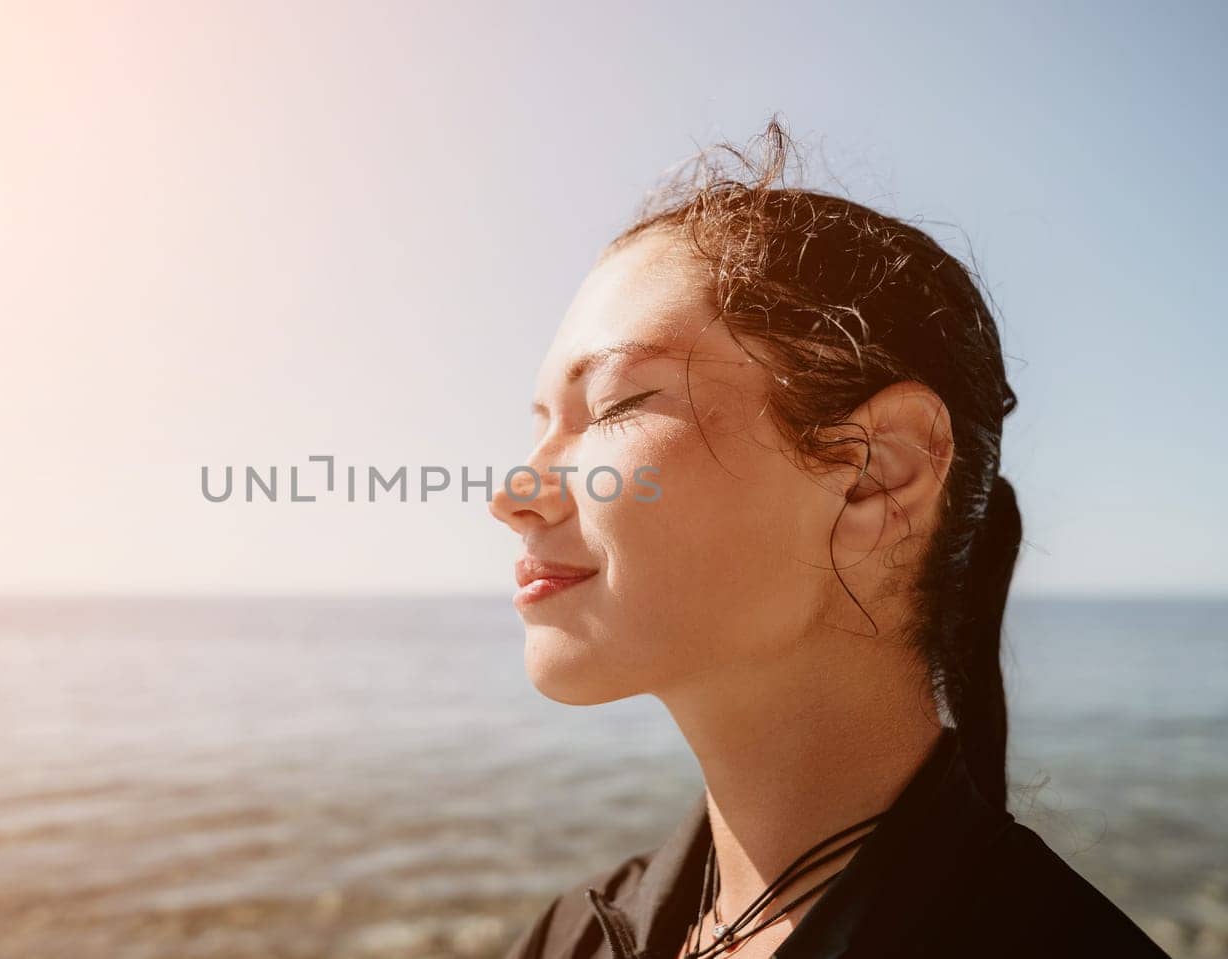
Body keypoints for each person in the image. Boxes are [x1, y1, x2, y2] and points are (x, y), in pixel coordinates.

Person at [487, 120, 1168, 959]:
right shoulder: (570, 938)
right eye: (542, 425)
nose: (511, 495)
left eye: (619, 404)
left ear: (875, 474)